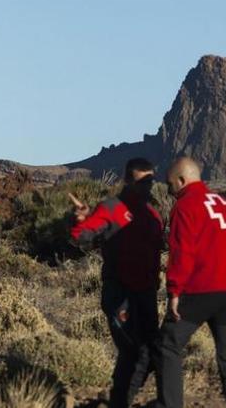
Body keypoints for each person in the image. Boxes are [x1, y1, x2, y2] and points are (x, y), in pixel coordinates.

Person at [70, 158, 166, 408]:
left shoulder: (153, 214)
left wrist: (156, 280)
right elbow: (82, 237)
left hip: (146, 293)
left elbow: (157, 252)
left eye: (150, 182)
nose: (146, 188)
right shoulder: (112, 207)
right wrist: (81, 221)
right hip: (119, 292)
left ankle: (124, 399)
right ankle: (120, 400)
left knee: (151, 351)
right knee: (132, 351)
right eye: (140, 182)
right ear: (127, 181)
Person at [160, 157, 226, 408]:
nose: (169, 191)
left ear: (181, 180)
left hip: (201, 289)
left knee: (168, 344)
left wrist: (174, 292)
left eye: (170, 185)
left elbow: (182, 253)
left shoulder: (185, 206)